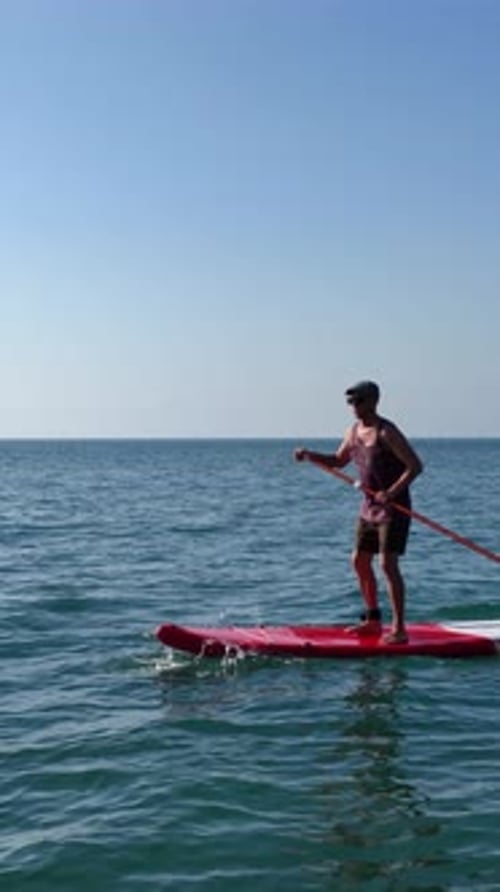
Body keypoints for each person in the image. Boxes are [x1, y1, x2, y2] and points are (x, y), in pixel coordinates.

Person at [295, 380, 423, 644]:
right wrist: (310, 455)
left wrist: (391, 492)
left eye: (358, 401)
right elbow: (339, 460)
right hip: (369, 508)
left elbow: (415, 466)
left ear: (373, 401)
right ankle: (372, 621)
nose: (353, 406)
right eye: (350, 402)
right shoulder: (353, 432)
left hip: (393, 509)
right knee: (359, 560)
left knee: (388, 564)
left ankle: (399, 628)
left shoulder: (387, 432)